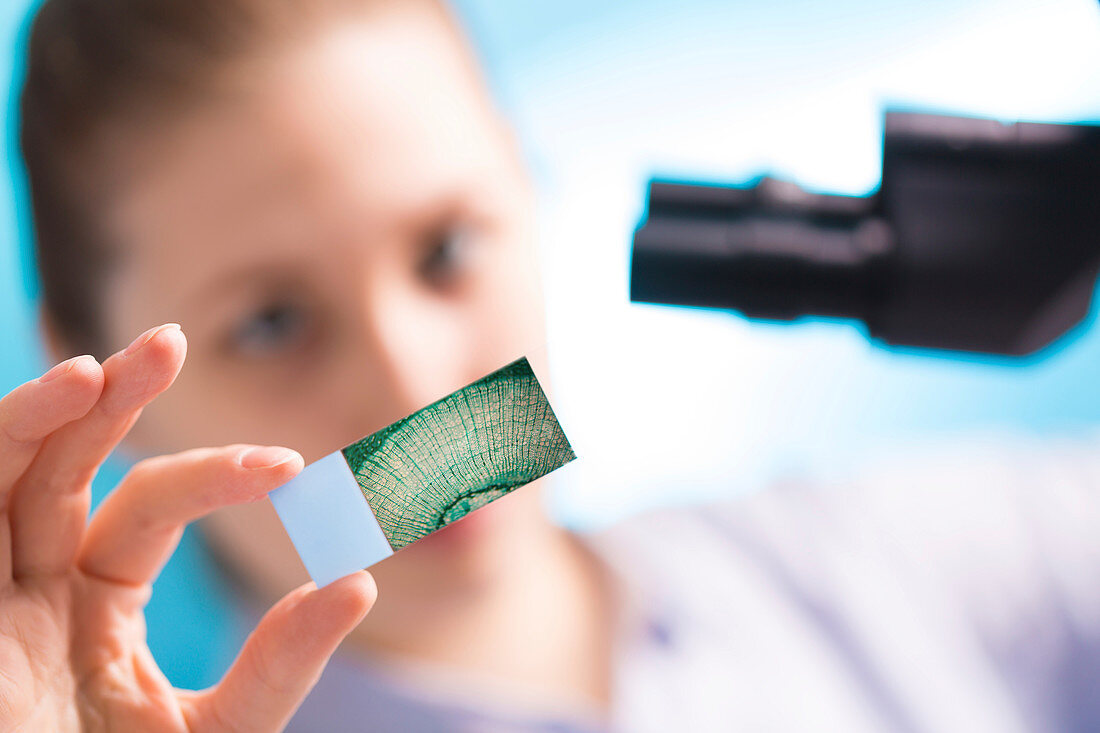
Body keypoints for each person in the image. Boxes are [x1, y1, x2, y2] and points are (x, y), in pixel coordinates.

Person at [4, 0, 1100, 730]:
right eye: (275, 322)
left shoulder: (886, 567)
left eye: (445, 251)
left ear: (531, 192)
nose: (416, 386)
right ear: (96, 382)